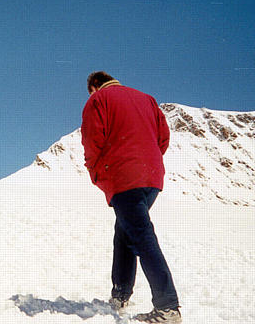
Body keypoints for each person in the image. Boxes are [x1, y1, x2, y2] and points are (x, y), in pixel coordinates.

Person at [81, 71, 181, 323]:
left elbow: (93, 140)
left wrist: (96, 171)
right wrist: (148, 159)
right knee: (125, 231)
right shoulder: (147, 99)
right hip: (152, 178)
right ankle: (120, 294)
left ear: (94, 86)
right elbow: (163, 137)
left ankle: (168, 306)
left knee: (142, 236)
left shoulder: (98, 100)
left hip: (125, 177)